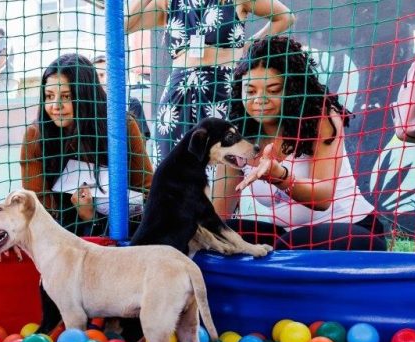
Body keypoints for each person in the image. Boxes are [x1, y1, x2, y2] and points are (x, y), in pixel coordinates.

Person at [213, 36, 386, 250]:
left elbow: (322, 198)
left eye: (273, 90)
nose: (259, 100)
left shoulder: (319, 117)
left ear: (293, 88)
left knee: (288, 246)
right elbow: (218, 212)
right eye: (250, 91)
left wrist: (279, 177)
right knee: (218, 234)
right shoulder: (237, 136)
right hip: (288, 237)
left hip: (352, 229)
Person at [125, 0, 295, 162]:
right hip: (178, 94)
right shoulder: (168, 2)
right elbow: (123, 25)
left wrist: (249, 46)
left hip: (222, 88)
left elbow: (285, 17)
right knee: (171, 165)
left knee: (222, 164)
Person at [20, 53, 154, 238]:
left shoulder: (120, 126)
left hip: (122, 233)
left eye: (66, 96)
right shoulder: (35, 135)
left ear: (86, 95)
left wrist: (94, 216)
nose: (55, 105)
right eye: (49, 96)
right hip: (59, 236)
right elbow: (36, 207)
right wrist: (77, 217)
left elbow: (147, 191)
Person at [92, 54, 151, 143]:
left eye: (107, 75)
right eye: (98, 76)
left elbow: (141, 142)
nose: (103, 80)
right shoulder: (88, 105)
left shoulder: (131, 103)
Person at [0, 28, 19, 97]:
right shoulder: (7, 42)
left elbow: (4, 52)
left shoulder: (3, 40)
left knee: (4, 102)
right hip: (5, 79)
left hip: (4, 79)